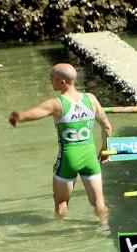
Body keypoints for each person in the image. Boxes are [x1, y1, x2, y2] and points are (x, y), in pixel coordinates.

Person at [8, 62, 112, 223]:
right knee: (99, 203)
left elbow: (28, 115)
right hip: (90, 157)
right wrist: (104, 150)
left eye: (52, 78)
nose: (50, 80)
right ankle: (104, 228)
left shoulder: (56, 104)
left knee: (61, 205)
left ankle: (62, 234)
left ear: (62, 82)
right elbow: (107, 126)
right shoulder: (91, 99)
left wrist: (17, 115)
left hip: (69, 159)